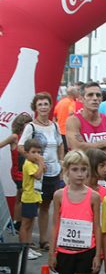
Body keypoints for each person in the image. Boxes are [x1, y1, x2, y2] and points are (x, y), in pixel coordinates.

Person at [19, 92, 64, 251]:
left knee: (46, 206)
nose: (43, 107)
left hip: (53, 172)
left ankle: (44, 240)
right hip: (37, 175)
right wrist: (35, 161)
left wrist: (61, 162)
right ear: (35, 107)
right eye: (40, 104)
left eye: (46, 104)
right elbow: (21, 147)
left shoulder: (55, 126)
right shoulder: (31, 126)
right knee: (32, 209)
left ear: (50, 106)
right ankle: (27, 243)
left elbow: (60, 145)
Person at [66, 82, 106, 160]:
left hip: (105, 171)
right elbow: (77, 148)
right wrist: (101, 144)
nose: (95, 98)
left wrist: (88, 147)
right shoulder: (73, 121)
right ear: (82, 99)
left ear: (101, 99)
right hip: (83, 171)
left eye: (98, 95)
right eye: (90, 95)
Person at [0, 112, 32, 231]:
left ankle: (17, 222)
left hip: (28, 171)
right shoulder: (15, 137)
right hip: (18, 172)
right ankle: (17, 222)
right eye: (26, 124)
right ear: (21, 125)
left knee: (21, 197)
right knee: (21, 195)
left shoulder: (30, 138)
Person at [20, 139, 45, 260]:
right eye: (33, 152)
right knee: (25, 224)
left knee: (31, 224)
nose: (37, 155)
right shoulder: (28, 164)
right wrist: (41, 164)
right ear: (26, 153)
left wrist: (40, 164)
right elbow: (38, 175)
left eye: (39, 152)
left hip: (36, 196)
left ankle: (28, 247)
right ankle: (23, 249)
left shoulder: (34, 164)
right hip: (29, 197)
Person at [54, 86, 79, 151]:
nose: (78, 93)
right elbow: (71, 113)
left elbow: (54, 114)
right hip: (67, 132)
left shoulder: (61, 102)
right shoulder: (72, 103)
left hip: (59, 131)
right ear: (73, 94)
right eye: (77, 92)